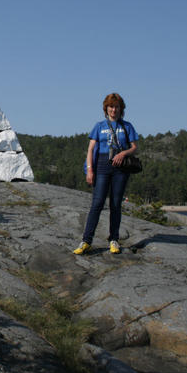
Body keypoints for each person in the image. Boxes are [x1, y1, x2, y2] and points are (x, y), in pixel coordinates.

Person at [73, 93, 139, 255]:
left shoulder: (127, 126)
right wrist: (89, 169)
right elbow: (90, 150)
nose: (113, 110)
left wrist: (123, 154)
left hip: (121, 168)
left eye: (116, 107)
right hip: (102, 165)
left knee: (116, 204)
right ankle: (86, 241)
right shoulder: (99, 126)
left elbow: (134, 147)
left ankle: (114, 240)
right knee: (97, 204)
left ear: (121, 109)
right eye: (111, 107)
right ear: (106, 108)